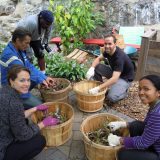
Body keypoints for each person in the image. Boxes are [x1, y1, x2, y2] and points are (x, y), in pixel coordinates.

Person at [0, 65, 59, 160]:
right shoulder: (14, 102)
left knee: (25, 122)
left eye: (28, 80)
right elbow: (23, 135)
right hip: (3, 148)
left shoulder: (4, 91)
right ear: (11, 81)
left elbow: (15, 116)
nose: (27, 84)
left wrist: (35, 108)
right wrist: (44, 123)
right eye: (22, 80)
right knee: (40, 141)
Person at [107, 75, 160, 160]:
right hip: (154, 142)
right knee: (135, 125)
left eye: (146, 89)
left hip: (158, 152)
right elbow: (146, 125)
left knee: (123, 155)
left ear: (158, 92)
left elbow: (143, 142)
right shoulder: (155, 105)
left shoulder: (158, 114)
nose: (141, 92)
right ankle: (141, 152)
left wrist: (119, 140)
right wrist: (123, 124)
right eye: (140, 88)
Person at [0, 27, 55, 109]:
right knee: (40, 106)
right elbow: (25, 74)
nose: (28, 45)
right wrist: (41, 80)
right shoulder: (10, 56)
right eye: (26, 43)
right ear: (18, 40)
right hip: (13, 91)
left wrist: (45, 77)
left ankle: (23, 104)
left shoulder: (18, 50)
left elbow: (29, 66)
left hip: (19, 82)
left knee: (38, 80)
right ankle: (16, 106)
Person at [86, 35, 134, 103]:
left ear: (115, 44)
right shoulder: (108, 51)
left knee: (111, 97)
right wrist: (91, 68)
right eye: (105, 44)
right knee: (97, 66)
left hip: (125, 78)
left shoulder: (119, 57)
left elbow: (114, 79)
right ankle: (101, 88)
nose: (107, 46)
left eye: (109, 44)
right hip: (116, 72)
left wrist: (98, 88)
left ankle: (124, 92)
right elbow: (98, 58)